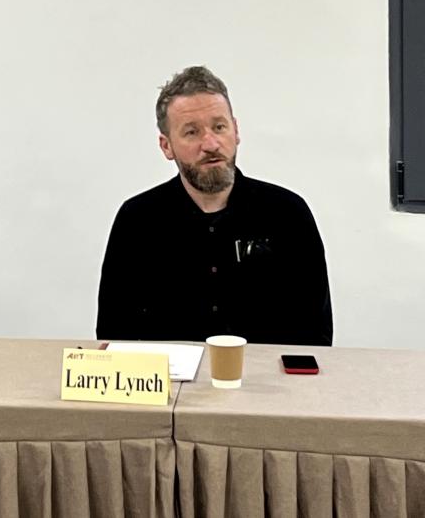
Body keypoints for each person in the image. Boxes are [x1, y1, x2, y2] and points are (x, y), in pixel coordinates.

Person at [95, 66, 332, 346]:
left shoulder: (288, 214)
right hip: (170, 374)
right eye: (191, 132)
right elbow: (114, 335)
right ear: (166, 146)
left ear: (236, 130)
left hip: (268, 373)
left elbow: (316, 334)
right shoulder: (137, 220)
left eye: (219, 127)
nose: (210, 144)